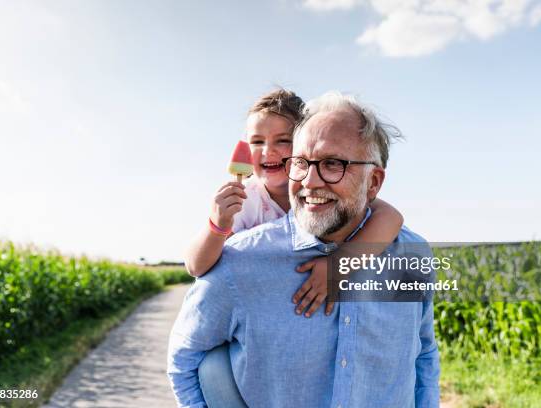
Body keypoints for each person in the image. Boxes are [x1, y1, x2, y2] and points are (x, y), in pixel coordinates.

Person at [168, 91, 440, 408]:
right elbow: (185, 358)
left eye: (332, 164)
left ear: (373, 183)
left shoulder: (410, 255)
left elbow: (423, 354)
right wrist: (216, 226)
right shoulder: (240, 253)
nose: (310, 181)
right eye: (301, 163)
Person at [185, 88, 404, 317]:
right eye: (257, 141)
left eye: (283, 141)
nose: (268, 151)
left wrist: (339, 265)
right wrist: (217, 225)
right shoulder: (245, 199)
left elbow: (391, 218)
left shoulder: (332, 194)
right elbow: (195, 266)